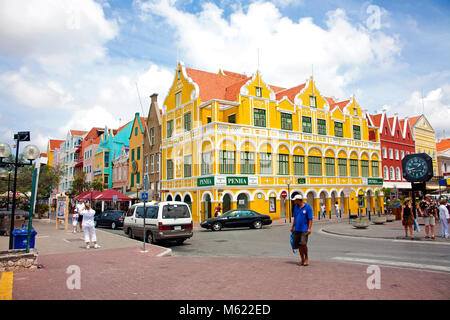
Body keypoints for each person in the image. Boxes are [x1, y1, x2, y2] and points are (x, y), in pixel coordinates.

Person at [290, 194, 313, 266]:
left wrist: (309, 228)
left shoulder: (308, 208)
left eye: (295, 200)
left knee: (303, 244)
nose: (293, 201)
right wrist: (292, 227)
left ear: (298, 200)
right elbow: (295, 218)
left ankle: (306, 258)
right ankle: (302, 259)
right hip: (297, 229)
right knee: (299, 245)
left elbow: (310, 219)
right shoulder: (296, 207)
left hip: (304, 229)